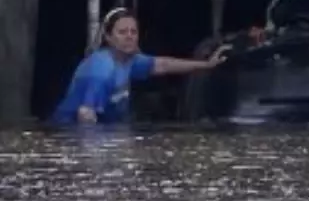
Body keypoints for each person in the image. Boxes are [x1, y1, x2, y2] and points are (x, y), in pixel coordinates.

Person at [51, 7, 227, 125]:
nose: (129, 36)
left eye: (133, 32)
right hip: (70, 131)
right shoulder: (102, 69)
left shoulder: (130, 60)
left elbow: (164, 65)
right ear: (108, 37)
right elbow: (85, 114)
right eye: (122, 32)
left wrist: (207, 64)